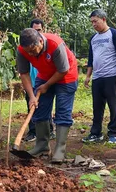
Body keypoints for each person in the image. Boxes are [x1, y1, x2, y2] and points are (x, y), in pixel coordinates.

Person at [17, 28, 78, 163]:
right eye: (28, 52)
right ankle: (42, 146)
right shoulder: (22, 50)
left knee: (63, 111)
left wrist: (47, 85)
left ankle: (60, 149)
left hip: (66, 75)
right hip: (44, 75)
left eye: (33, 50)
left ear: (40, 41)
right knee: (40, 108)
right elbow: (24, 73)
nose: (31, 54)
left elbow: (63, 70)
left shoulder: (55, 44)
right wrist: (32, 96)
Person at [82, 10, 116, 144]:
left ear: (104, 19)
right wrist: (88, 76)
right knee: (97, 107)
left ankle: (113, 133)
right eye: (91, 22)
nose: (93, 24)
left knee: (113, 106)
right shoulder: (93, 38)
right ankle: (96, 133)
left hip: (112, 76)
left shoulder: (115, 34)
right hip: (97, 77)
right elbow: (91, 58)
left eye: (95, 21)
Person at [24, 19, 55, 142]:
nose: (37, 32)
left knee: (46, 105)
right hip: (31, 81)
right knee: (30, 104)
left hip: (45, 81)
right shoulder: (27, 48)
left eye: (39, 30)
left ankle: (50, 130)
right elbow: (23, 70)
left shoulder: (47, 46)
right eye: (34, 30)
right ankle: (33, 131)